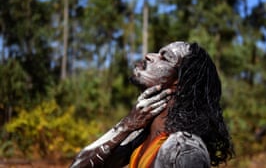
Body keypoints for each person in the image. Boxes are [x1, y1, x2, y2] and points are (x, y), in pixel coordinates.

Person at [70, 41, 234, 168]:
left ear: (181, 83)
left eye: (165, 58)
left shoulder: (183, 149)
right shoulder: (142, 137)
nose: (149, 55)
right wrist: (126, 125)